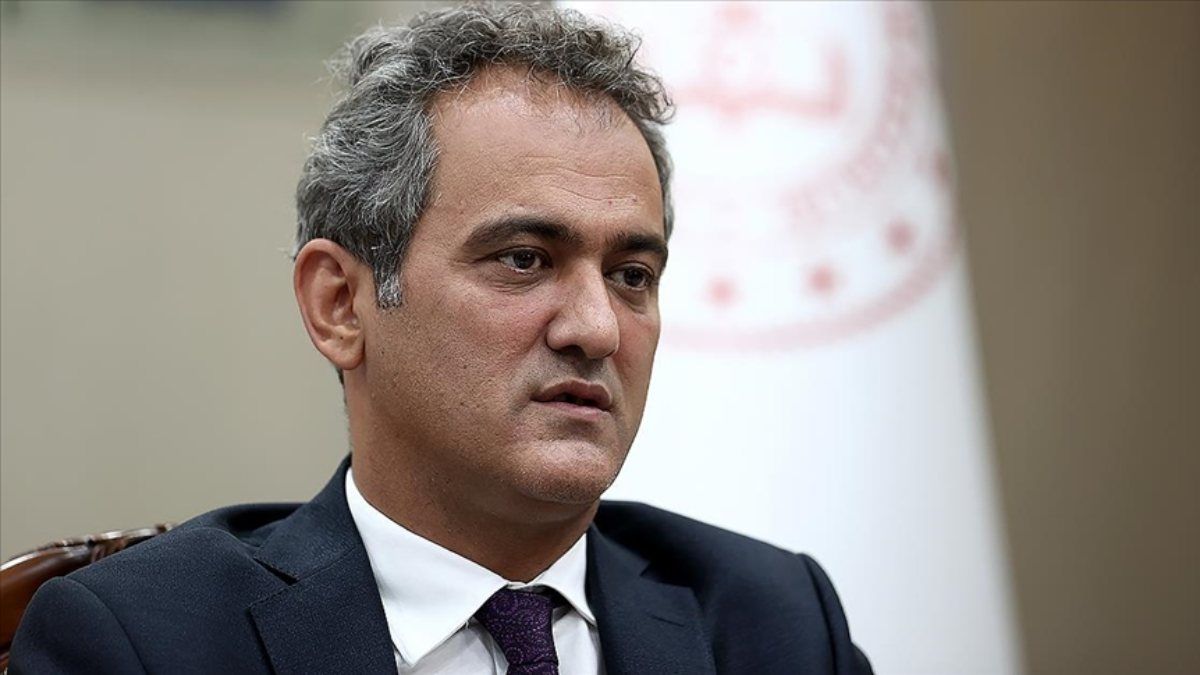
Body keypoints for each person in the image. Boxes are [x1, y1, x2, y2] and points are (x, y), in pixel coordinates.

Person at [10, 5, 871, 674]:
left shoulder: (777, 622)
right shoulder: (143, 641)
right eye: (525, 259)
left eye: (632, 274)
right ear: (341, 305)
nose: (596, 327)